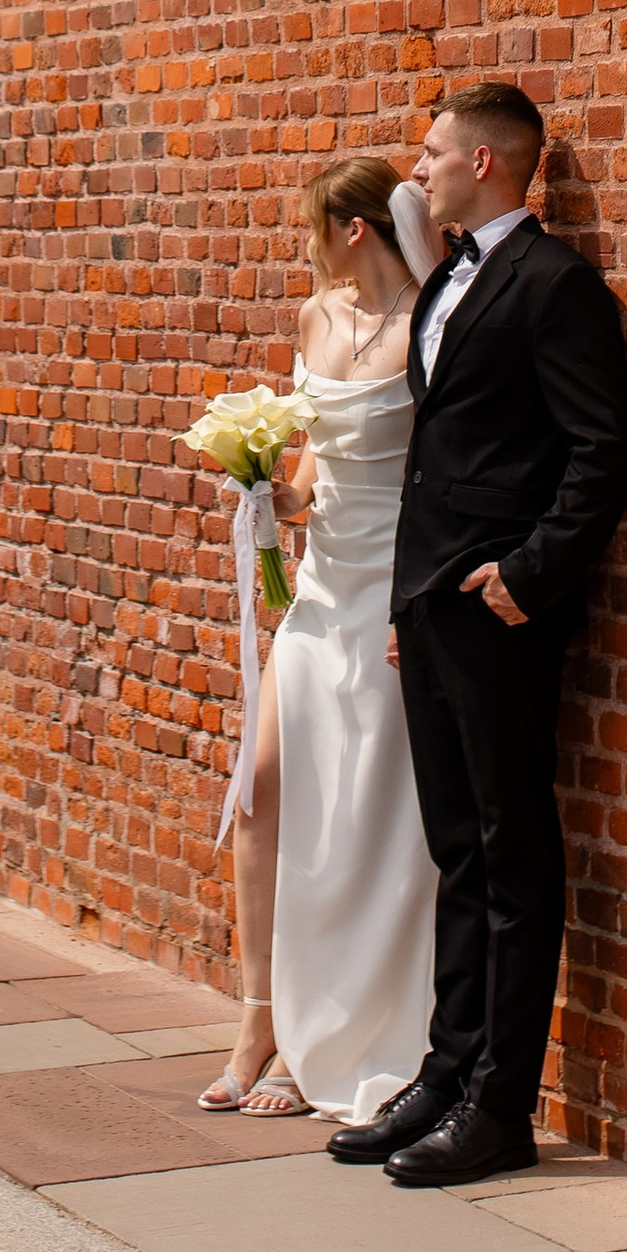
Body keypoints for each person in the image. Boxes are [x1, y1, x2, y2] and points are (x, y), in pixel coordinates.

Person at [328, 79, 627, 1188]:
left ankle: (500, 1106)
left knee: (511, 856)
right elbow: (440, 458)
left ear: (490, 165)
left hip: (501, 612)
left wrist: (529, 575)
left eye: (432, 156)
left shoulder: (554, 286)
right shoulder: (450, 279)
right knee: (455, 852)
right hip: (429, 608)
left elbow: (601, 451)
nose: (418, 172)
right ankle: (444, 1071)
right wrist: (409, 602)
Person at [200, 154, 439, 1122]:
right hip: (318, 590)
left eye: (314, 230)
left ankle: (331, 1040)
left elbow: (435, 471)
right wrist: (268, 492)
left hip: (386, 594)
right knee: (259, 793)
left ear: (353, 230)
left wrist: (407, 606)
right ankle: (257, 1017)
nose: (310, 250)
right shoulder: (317, 319)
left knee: (358, 826)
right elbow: (313, 472)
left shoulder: (427, 322)